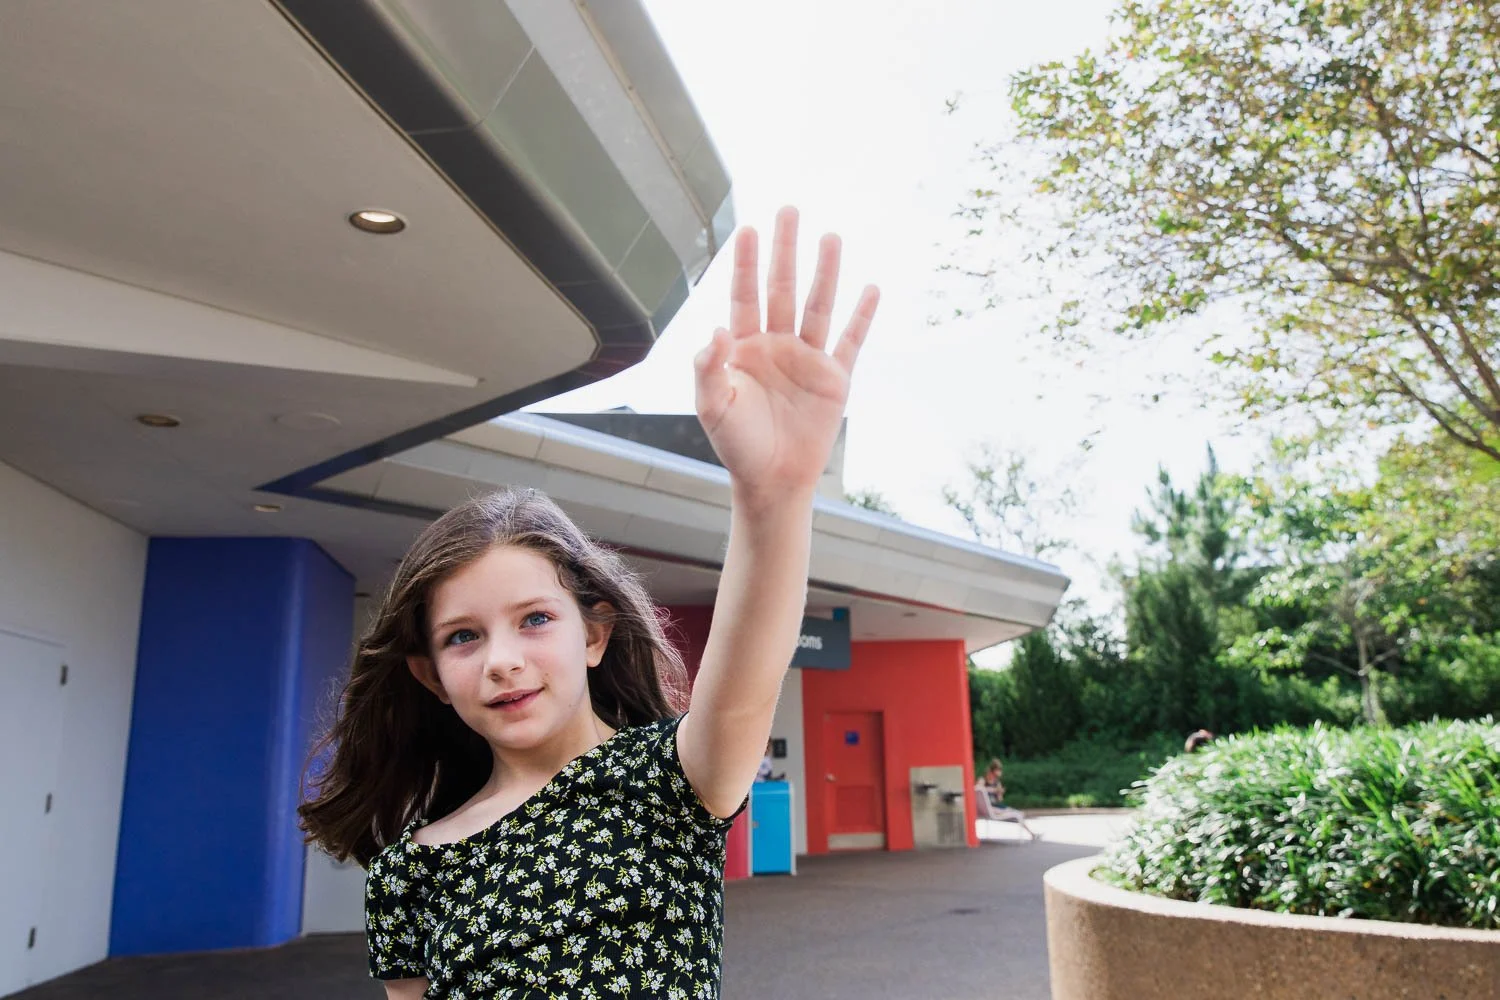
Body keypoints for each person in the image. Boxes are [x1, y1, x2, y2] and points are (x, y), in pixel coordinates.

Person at [298, 206, 879, 1000]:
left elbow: (748, 678)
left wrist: (775, 494)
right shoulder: (411, 870)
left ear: (595, 634)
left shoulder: (671, 783)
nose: (503, 659)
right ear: (431, 676)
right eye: (463, 637)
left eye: (535, 619)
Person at [976, 758, 1037, 840]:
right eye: (998, 770)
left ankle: (1032, 834)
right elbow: (978, 789)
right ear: (993, 771)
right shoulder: (982, 780)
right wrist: (994, 790)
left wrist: (999, 793)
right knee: (1018, 814)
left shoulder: (997, 783)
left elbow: (999, 800)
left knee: (1018, 813)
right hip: (991, 809)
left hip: (996, 807)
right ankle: (1032, 834)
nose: (1000, 772)